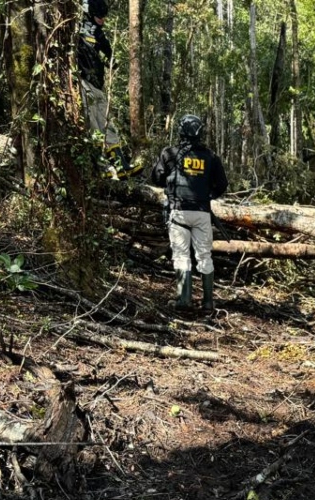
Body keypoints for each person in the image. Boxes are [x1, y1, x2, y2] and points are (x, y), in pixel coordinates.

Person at [151, 114, 228, 310]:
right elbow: (222, 184)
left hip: (179, 212)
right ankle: (208, 302)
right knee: (204, 255)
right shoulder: (211, 157)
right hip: (202, 212)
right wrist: (208, 195)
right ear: (200, 132)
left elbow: (157, 178)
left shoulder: (170, 153)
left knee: (181, 255)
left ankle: (183, 300)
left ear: (181, 131)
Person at [76, 0, 137, 178]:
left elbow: (110, 55)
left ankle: (121, 166)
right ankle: (101, 168)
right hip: (83, 82)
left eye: (103, 17)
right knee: (92, 124)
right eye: (99, 17)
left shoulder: (99, 34)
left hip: (98, 84)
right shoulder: (77, 29)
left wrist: (113, 61)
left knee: (107, 125)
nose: (102, 20)